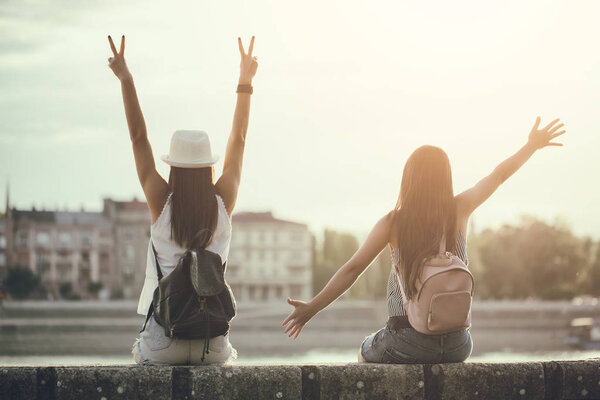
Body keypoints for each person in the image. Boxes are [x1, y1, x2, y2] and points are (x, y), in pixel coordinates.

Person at [282, 117, 566, 363]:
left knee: (364, 351)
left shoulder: (393, 222)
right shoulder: (460, 209)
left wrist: (312, 308)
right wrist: (531, 145)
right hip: (459, 343)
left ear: (409, 179)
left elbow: (352, 270)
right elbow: (498, 176)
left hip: (407, 340)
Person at [106, 34, 258, 365]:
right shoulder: (224, 201)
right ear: (209, 167)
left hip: (165, 342)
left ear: (172, 166)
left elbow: (138, 138)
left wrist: (126, 78)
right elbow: (240, 139)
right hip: (212, 344)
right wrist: (244, 84)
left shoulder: (160, 202)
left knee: (140, 353)